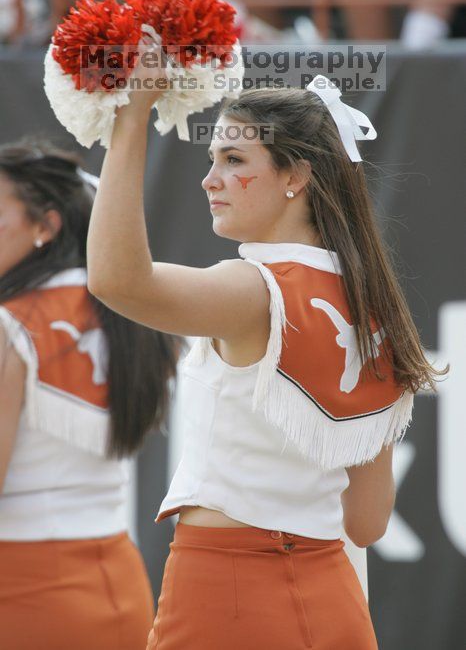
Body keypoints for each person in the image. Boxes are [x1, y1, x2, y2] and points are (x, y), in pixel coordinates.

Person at [86, 63, 446, 649]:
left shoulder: (251, 289)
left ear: (295, 176)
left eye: (233, 160)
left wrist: (131, 121)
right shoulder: (375, 308)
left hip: (224, 592)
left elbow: (115, 279)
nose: (210, 180)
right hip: (334, 599)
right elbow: (367, 522)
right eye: (212, 161)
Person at [0, 140, 180, 650]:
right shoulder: (131, 313)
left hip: (21, 591)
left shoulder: (10, 324)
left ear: (46, 227)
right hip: (121, 583)